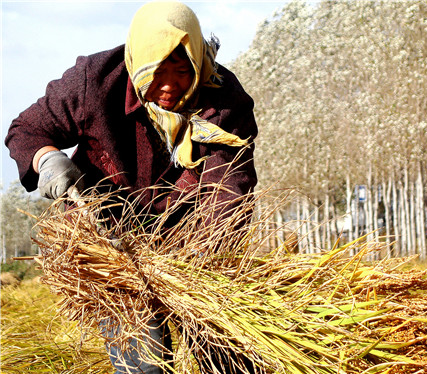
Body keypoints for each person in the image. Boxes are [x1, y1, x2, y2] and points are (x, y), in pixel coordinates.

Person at [5, 2, 259, 373]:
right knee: (147, 361)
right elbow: (27, 129)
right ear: (139, 61)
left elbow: (228, 190)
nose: (170, 85)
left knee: (225, 355)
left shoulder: (222, 98)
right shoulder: (95, 80)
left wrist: (200, 273)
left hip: (190, 242)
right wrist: (47, 159)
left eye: (182, 70)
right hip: (107, 241)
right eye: (158, 70)